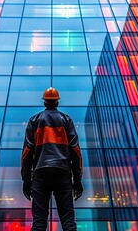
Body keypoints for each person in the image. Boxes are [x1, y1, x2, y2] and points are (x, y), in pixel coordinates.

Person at [21, 87, 83, 231]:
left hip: (41, 173)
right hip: (63, 172)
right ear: (57, 102)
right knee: (68, 221)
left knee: (39, 223)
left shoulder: (34, 120)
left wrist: (26, 180)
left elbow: (27, 153)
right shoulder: (66, 120)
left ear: (44, 103)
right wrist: (77, 180)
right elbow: (75, 151)